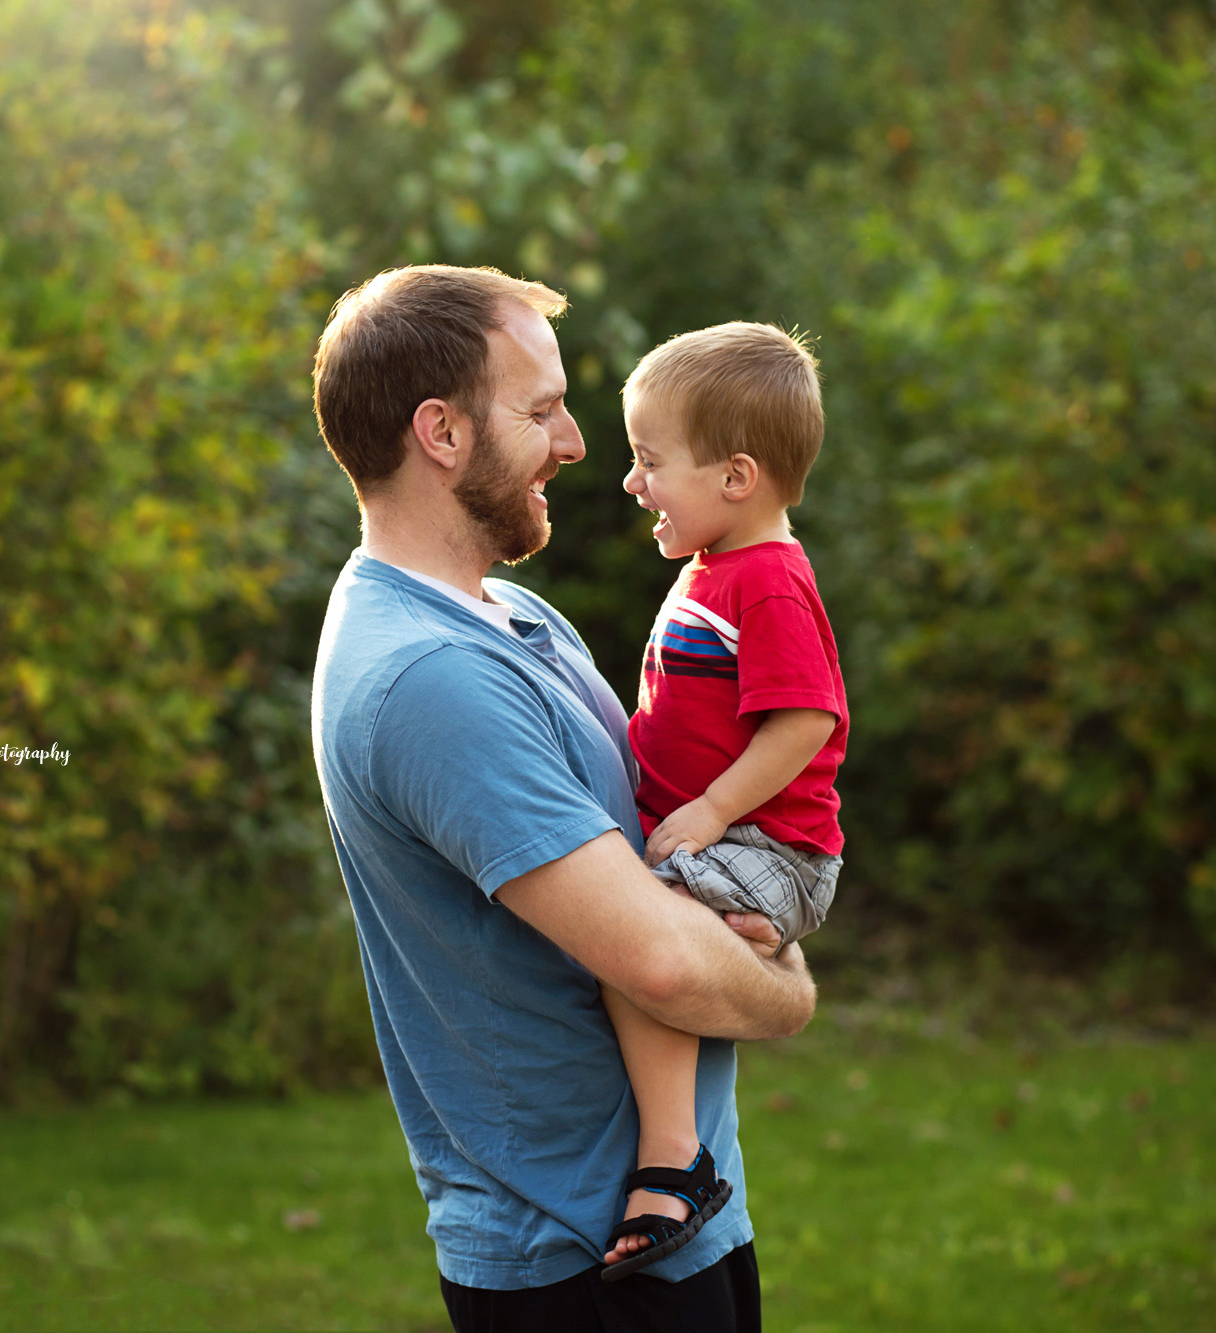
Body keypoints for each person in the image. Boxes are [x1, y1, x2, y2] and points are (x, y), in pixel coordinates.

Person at [309, 265, 815, 1333]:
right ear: (439, 433)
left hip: (679, 1225)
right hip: (579, 1262)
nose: (577, 442)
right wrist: (787, 986)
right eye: (539, 410)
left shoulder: (514, 619)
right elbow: (663, 961)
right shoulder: (427, 677)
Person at [597, 323, 850, 1280]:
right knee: (635, 927)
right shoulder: (719, 570)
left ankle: (675, 1158)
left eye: (650, 461)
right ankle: (737, 949)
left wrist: (704, 812)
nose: (633, 482)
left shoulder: (771, 582)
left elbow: (805, 725)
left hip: (767, 844)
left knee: (636, 934)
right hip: (733, 834)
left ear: (736, 477)